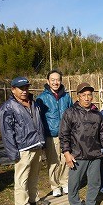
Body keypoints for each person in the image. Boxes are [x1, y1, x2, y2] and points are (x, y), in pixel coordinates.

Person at [59, 82, 103, 205]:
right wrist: (66, 153)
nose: (87, 98)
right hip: (77, 156)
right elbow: (64, 135)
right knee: (74, 184)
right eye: (84, 95)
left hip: (95, 155)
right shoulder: (70, 113)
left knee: (95, 182)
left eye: (89, 95)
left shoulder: (97, 114)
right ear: (78, 97)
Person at [0, 76, 49, 205]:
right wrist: (13, 152)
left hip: (36, 145)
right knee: (22, 178)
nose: (24, 91)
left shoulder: (33, 103)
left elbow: (39, 124)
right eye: (21, 88)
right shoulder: (8, 108)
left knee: (34, 175)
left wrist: (42, 142)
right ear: (13, 89)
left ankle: (33, 199)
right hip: (23, 148)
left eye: (26, 87)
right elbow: (7, 132)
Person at [36, 69, 73, 197]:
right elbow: (38, 119)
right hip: (50, 135)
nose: (56, 82)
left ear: (61, 81)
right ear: (48, 81)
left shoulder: (66, 96)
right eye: (53, 80)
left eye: (58, 80)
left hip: (66, 134)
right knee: (53, 161)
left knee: (65, 159)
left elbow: (72, 114)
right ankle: (55, 185)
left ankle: (64, 182)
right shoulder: (41, 98)